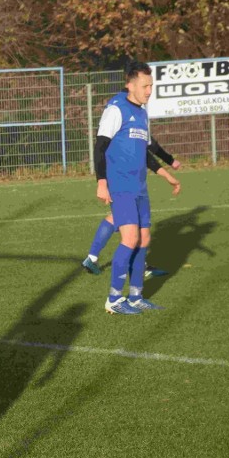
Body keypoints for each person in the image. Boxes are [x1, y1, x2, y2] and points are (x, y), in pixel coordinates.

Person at [95, 61, 180, 315]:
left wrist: (165, 174)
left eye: (151, 85)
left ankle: (135, 296)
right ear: (129, 84)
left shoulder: (142, 114)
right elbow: (100, 146)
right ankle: (113, 300)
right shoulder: (116, 109)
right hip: (120, 186)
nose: (149, 90)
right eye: (145, 86)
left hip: (140, 186)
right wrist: (101, 182)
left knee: (144, 239)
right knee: (130, 239)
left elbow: (144, 151)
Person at [81, 136, 182, 276]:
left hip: (117, 177)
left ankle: (92, 258)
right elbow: (148, 152)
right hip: (124, 181)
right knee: (135, 221)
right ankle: (137, 268)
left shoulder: (122, 126)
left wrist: (169, 165)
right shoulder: (128, 124)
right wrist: (169, 169)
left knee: (118, 217)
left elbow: (148, 149)